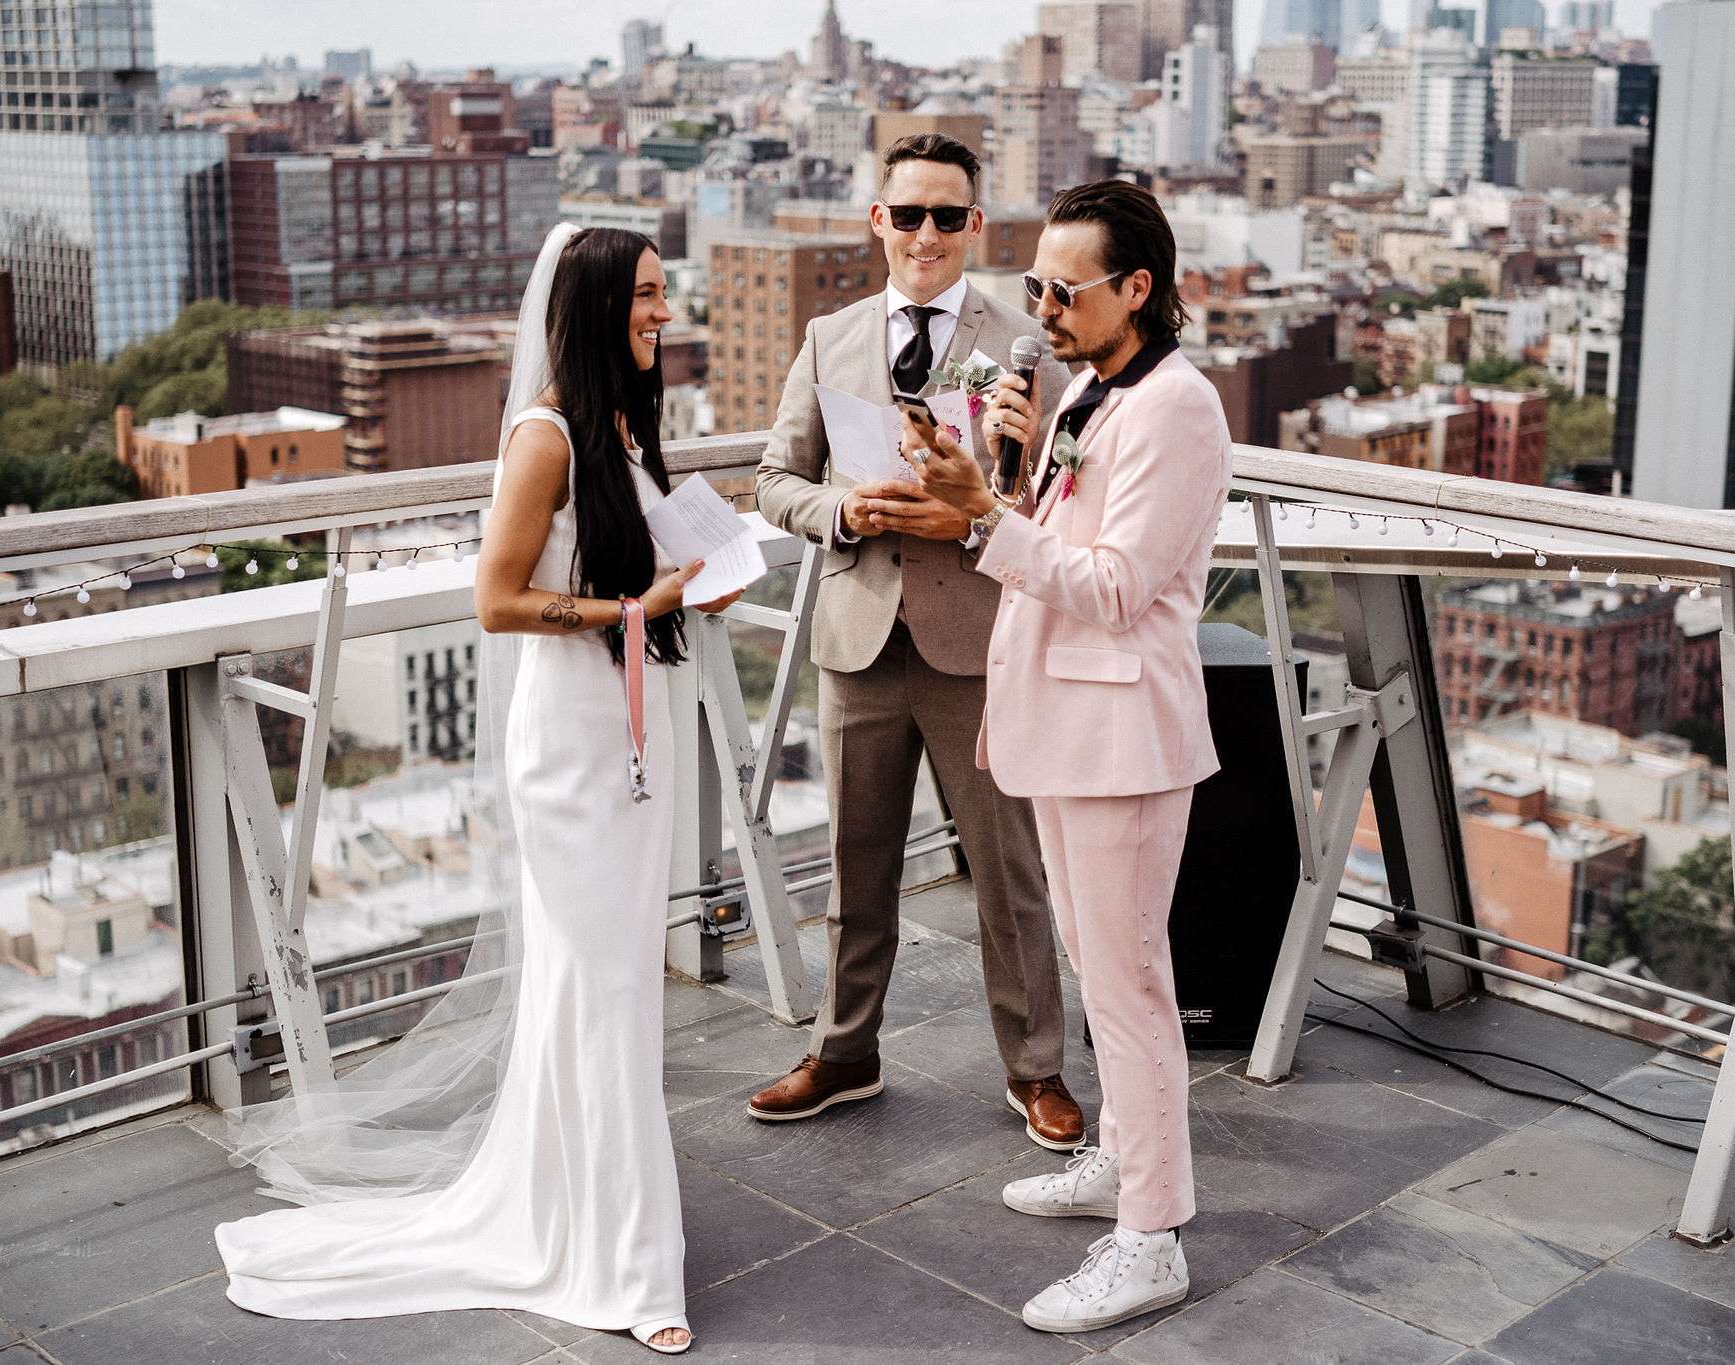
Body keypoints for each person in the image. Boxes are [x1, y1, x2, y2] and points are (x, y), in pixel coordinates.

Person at [213, 226, 741, 1357]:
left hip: (631, 733)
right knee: (603, 986)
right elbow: (494, 602)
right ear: (595, 307)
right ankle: (629, 1264)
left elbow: (625, 567)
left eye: (665, 293)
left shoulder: (624, 423)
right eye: (647, 296)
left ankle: (575, 1204)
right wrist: (633, 610)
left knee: (600, 989)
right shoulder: (544, 435)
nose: (665, 312)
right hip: (571, 745)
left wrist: (689, 586)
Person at [910, 180, 1232, 1334]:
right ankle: (1123, 1163)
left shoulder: (1174, 408)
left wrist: (982, 521)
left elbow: (1116, 586)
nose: (1040, 308)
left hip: (1120, 738)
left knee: (1129, 985)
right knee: (1101, 973)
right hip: (1065, 724)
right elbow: (1056, 541)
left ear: (1136, 288)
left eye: (1063, 289)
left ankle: (1150, 1237)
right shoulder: (1091, 391)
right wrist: (996, 479)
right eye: (1034, 285)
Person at [748, 133, 1086, 1151]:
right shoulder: (829, 337)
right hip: (857, 634)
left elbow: (1053, 500)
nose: (926, 234)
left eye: (947, 215)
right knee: (855, 868)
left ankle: (1036, 1068)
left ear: (975, 224)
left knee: (1008, 871)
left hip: (976, 641)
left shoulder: (1024, 345)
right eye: (908, 215)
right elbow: (774, 482)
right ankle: (844, 1052)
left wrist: (977, 510)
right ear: (877, 222)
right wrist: (845, 512)